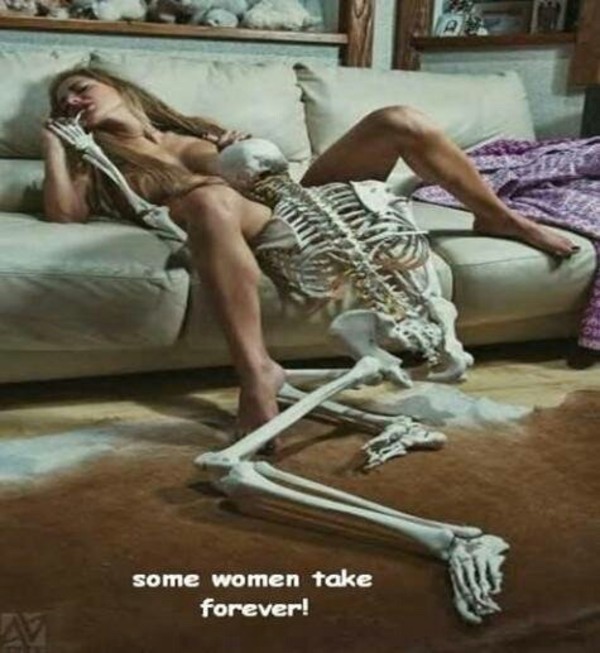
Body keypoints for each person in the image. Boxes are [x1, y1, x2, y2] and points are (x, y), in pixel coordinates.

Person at [42, 67, 578, 435]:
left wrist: (240, 147)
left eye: (80, 88)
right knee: (209, 199)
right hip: (252, 225)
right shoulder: (97, 164)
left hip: (297, 196)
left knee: (399, 120)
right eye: (64, 101)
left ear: (116, 86)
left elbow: (273, 174)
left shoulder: (194, 128)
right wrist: (53, 143)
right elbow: (65, 214)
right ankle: (257, 373)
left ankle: (498, 216)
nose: (73, 100)